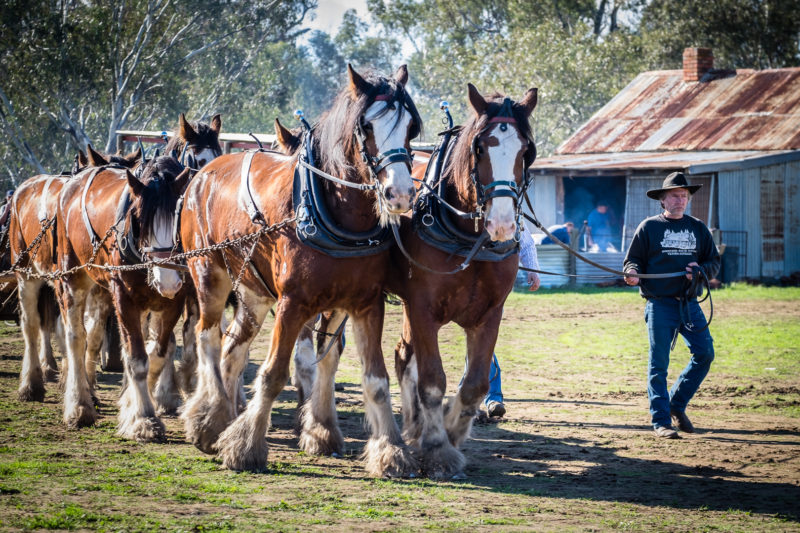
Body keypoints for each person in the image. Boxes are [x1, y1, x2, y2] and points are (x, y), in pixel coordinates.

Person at [623, 172, 720, 439]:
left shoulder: (698, 228)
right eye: (675, 196)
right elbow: (632, 261)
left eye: (684, 196)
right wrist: (632, 273)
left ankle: (676, 403)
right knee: (659, 364)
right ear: (663, 200)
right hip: (659, 305)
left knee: (705, 354)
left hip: (689, 304)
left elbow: (713, 262)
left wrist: (699, 271)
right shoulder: (649, 227)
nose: (680, 200)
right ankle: (661, 422)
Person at [471, 224, 541, 419]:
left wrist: (533, 270)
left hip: (488, 288)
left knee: (482, 344)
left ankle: (486, 398)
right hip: (458, 285)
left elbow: (525, 240)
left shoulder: (508, 207)